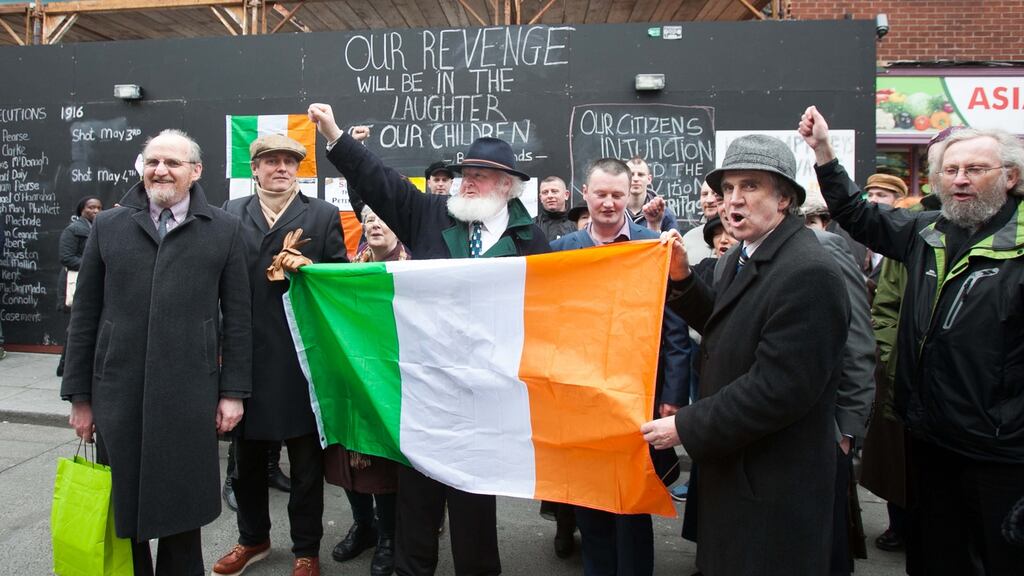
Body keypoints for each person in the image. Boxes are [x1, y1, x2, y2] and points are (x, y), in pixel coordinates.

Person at [308, 101, 549, 576]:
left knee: (473, 511)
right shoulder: (429, 213)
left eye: (481, 174)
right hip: (427, 392)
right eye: (465, 173)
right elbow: (379, 179)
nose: (467, 181)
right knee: (416, 507)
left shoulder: (530, 240)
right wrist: (336, 134)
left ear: (508, 186)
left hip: (487, 398)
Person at [801, 105, 1024, 575]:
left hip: (1002, 454)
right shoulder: (927, 232)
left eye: (976, 169)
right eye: (951, 170)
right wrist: (823, 151)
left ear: (1010, 177)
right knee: (932, 557)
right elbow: (857, 214)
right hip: (928, 438)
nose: (961, 179)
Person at [641, 133, 849, 575]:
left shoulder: (808, 273)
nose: (733, 200)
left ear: (785, 199)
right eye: (728, 189)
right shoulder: (741, 256)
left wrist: (684, 424)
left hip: (771, 483)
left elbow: (780, 388)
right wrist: (681, 281)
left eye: (750, 186)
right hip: (737, 469)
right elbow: (727, 323)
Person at [61, 129, 252, 576]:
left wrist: (233, 392)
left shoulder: (224, 229)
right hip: (117, 393)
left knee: (182, 514)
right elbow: (84, 315)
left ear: (195, 171)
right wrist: (80, 398)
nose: (160, 170)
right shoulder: (108, 225)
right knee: (123, 513)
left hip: (189, 393)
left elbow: (239, 319)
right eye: (152, 162)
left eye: (172, 162)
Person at [213, 134, 348, 576]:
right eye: (271, 161)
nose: (281, 168)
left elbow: (341, 287)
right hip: (245, 355)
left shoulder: (323, 214)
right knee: (246, 462)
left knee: (306, 466)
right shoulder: (229, 213)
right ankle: (252, 539)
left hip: (300, 360)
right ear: (254, 169)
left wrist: (315, 273)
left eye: (289, 162)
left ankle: (306, 549)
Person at [550, 157, 690, 576]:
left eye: (617, 194)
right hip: (582, 396)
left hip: (639, 394)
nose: (609, 203)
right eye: (600, 194)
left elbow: (675, 326)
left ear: (630, 195)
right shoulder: (561, 249)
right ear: (585, 196)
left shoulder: (655, 245)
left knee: (632, 500)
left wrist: (673, 394)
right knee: (590, 498)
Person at [323, 204, 405, 576]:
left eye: (382, 219)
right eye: (369, 219)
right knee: (347, 460)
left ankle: (390, 535)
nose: (374, 225)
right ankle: (365, 526)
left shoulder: (414, 269)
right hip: (351, 381)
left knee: (384, 466)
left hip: (391, 383)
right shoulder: (347, 271)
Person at [56, 195, 103, 376]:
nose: (95, 211)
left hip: (91, 282)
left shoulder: (99, 228)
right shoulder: (73, 230)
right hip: (74, 283)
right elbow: (66, 257)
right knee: (75, 326)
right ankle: (66, 366)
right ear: (82, 209)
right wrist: (93, 263)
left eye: (98, 207)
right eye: (91, 207)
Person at [625, 157, 678, 232]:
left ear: (649, 179)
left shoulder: (664, 214)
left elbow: (674, 242)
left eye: (640, 174)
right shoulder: (616, 211)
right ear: (624, 178)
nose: (635, 179)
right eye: (631, 175)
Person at [681, 181, 720, 265]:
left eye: (715, 193)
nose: (709, 200)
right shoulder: (689, 238)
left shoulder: (739, 237)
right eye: (705, 194)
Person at [534, 175, 575, 242]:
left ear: (566, 195)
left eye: (554, 191)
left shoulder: (577, 224)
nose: (549, 196)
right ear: (540, 198)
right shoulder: (532, 226)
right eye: (545, 192)